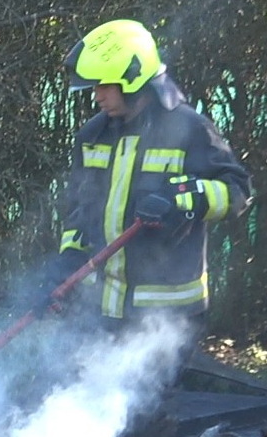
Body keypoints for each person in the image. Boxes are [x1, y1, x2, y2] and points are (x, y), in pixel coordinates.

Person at [43, 19, 250, 374]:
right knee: (84, 410)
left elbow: (238, 190)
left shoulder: (190, 129)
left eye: (104, 85)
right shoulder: (91, 136)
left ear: (133, 78)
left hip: (165, 316)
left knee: (144, 420)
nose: (97, 96)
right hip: (98, 310)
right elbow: (79, 209)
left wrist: (184, 199)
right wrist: (68, 260)